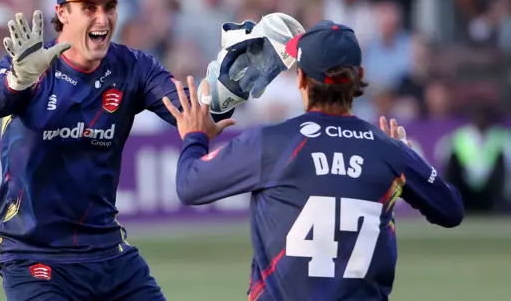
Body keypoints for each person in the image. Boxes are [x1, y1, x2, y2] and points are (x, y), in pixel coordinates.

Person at [0, 0, 242, 301]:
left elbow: (191, 112)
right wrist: (15, 82)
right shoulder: (30, 66)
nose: (103, 19)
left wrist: (232, 83)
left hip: (108, 252)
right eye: (89, 7)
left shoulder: (133, 67)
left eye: (110, 7)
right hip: (33, 254)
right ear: (62, 12)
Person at [165, 20, 465, 301]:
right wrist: (408, 157)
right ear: (359, 77)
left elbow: (190, 185)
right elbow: (451, 210)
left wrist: (195, 137)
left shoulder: (271, 143)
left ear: (301, 79)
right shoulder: (389, 152)